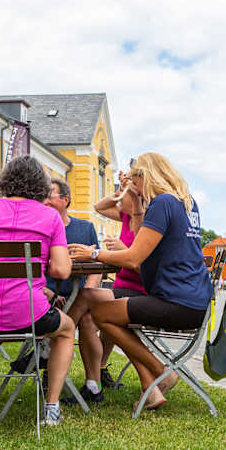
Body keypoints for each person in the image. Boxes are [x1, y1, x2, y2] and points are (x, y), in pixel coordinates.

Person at [68, 152, 212, 413]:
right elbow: (144, 244)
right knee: (109, 307)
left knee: (102, 313)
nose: (133, 187)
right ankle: (150, 383)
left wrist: (92, 253)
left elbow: (134, 258)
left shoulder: (162, 203)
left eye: (135, 180)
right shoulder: (186, 202)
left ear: (147, 176)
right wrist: (134, 205)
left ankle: (160, 372)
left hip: (174, 301)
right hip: (194, 301)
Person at [0, 155, 75, 427]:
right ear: (41, 185)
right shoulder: (51, 217)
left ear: (5, 180)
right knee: (67, 329)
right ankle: (52, 407)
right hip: (28, 312)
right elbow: (61, 271)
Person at [61, 170, 148, 404]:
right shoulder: (128, 215)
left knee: (87, 296)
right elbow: (100, 206)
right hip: (121, 285)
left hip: (140, 289)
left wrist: (121, 249)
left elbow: (145, 266)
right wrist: (122, 190)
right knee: (88, 319)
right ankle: (94, 384)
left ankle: (52, 341)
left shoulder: (149, 220)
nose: (121, 199)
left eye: (129, 191)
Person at [41, 177, 105, 404]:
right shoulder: (38, 228)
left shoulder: (85, 228)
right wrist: (48, 293)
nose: (44, 201)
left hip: (79, 295)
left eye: (49, 195)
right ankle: (48, 362)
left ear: (65, 200)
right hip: (46, 297)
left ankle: (93, 386)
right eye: (42, 196)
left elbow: (97, 268)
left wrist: (87, 292)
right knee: (84, 318)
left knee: (87, 319)